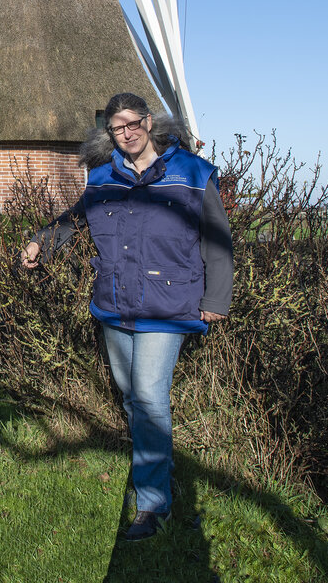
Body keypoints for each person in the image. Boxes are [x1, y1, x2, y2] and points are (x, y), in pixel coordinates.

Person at [22, 93, 233, 541]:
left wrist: (218, 296)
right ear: (110, 133)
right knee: (133, 398)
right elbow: (74, 220)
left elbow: (217, 236)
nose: (127, 133)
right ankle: (158, 463)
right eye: (118, 128)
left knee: (149, 397)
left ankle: (153, 507)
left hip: (168, 305)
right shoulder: (103, 177)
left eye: (133, 123)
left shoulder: (191, 174)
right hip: (115, 304)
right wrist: (41, 241)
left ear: (149, 122)